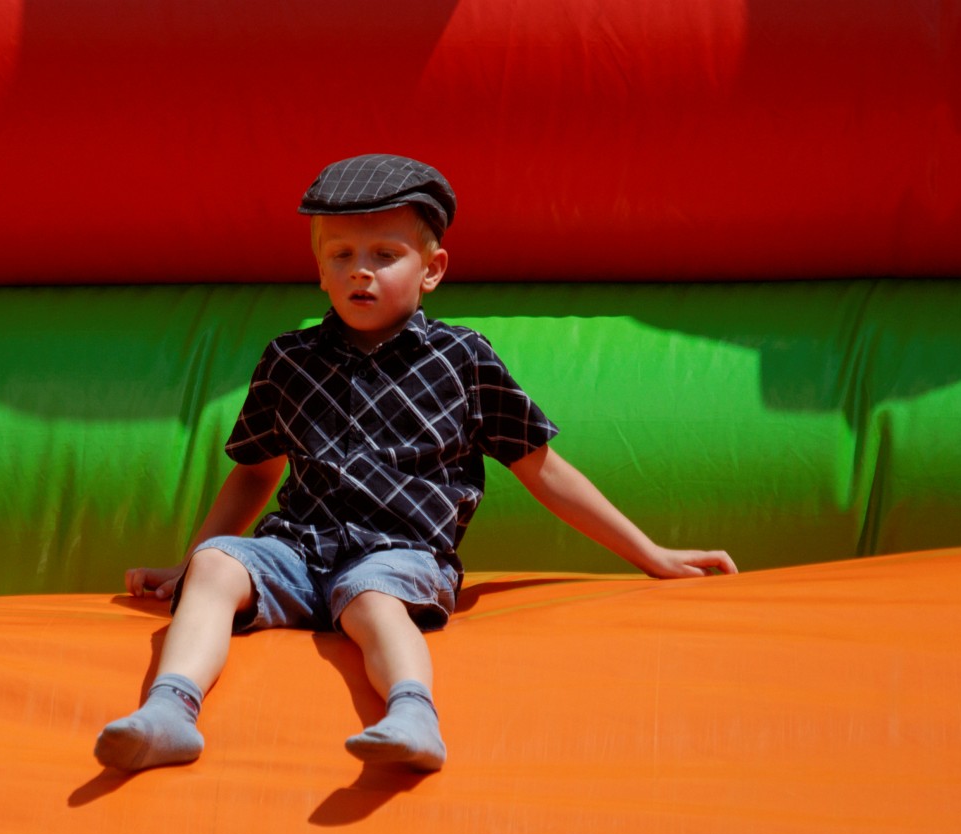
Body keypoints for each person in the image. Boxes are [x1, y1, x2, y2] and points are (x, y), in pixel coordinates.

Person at [94, 153, 735, 774]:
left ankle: (412, 716)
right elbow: (255, 472)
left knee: (373, 596)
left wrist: (650, 554)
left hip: (401, 555)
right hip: (297, 551)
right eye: (341, 255)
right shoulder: (289, 360)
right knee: (215, 565)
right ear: (319, 271)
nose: (360, 272)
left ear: (431, 269)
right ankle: (169, 711)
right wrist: (189, 561)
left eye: (384, 255)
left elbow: (543, 469)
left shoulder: (461, 360)